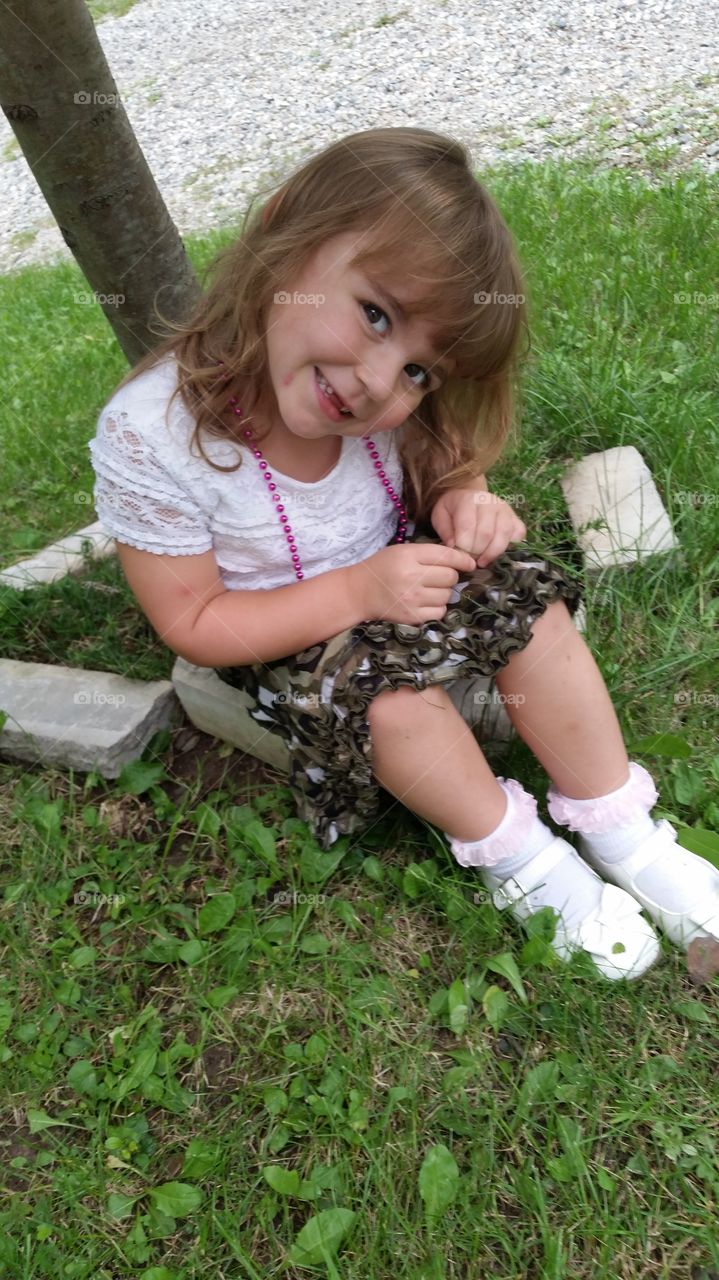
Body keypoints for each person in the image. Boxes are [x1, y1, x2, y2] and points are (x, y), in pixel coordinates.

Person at [89, 126, 719, 982]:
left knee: (535, 610)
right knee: (389, 703)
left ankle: (622, 829)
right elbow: (194, 621)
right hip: (282, 632)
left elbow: (444, 460)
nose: (380, 383)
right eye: (374, 314)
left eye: (420, 370)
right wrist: (356, 592)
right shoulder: (154, 435)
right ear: (286, 235)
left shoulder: (388, 401)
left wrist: (464, 498)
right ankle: (519, 858)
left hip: (400, 575)